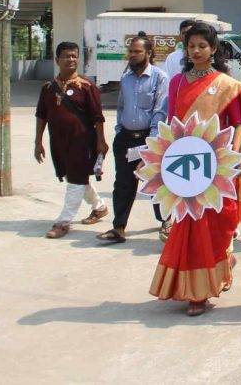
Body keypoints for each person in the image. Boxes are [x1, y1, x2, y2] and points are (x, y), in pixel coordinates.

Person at [150, 22, 241, 316]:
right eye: (191, 46)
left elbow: (239, 125)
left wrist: (235, 158)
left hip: (217, 165)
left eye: (202, 46)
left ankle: (222, 262)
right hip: (186, 167)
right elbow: (171, 124)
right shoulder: (177, 82)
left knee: (220, 223)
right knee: (189, 227)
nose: (196, 51)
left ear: (214, 49)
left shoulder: (226, 85)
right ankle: (197, 291)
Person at [97, 33, 168, 244]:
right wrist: (120, 129)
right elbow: (121, 106)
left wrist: (152, 144)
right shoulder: (125, 77)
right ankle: (118, 228)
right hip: (126, 139)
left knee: (157, 183)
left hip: (149, 138)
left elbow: (160, 112)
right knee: (123, 184)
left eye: (137, 51)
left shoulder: (160, 77)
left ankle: (166, 224)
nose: (133, 55)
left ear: (148, 53)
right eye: (130, 51)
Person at [35, 42, 109, 239]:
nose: (71, 59)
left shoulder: (87, 87)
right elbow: (41, 115)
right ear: (57, 59)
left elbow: (98, 117)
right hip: (58, 143)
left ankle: (63, 222)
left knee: (75, 179)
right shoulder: (48, 88)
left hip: (82, 142)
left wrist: (101, 142)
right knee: (75, 177)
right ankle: (100, 206)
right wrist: (38, 142)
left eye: (75, 56)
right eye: (67, 56)